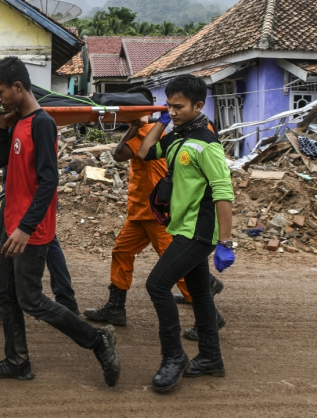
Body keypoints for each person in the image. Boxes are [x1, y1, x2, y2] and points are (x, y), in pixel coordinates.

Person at [0, 57, 120, 386]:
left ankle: (98, 340)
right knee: (4, 294)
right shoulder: (18, 122)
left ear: (18, 87)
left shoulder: (41, 123)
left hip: (30, 229)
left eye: (0, 93)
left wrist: (26, 228)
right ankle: (17, 361)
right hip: (13, 224)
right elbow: (2, 162)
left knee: (30, 299)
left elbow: (49, 180)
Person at [84, 87, 226, 340]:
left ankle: (211, 317)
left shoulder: (147, 131)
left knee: (178, 269)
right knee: (122, 252)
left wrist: (136, 125)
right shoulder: (149, 130)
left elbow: (119, 154)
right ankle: (116, 307)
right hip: (140, 212)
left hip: (157, 214)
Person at [137, 74, 235, 392]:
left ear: (199, 105)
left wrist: (225, 242)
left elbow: (223, 192)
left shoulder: (207, 145)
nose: (173, 111)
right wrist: (162, 121)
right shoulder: (177, 138)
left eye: (178, 107)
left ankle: (174, 356)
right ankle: (210, 357)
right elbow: (144, 151)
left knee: (157, 285)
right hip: (182, 227)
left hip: (199, 232)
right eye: (169, 105)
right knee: (201, 295)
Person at [0, 138, 79, 320]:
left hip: (23, 196)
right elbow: (5, 143)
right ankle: (66, 300)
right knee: (49, 241)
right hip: (26, 195)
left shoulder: (27, 121)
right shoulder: (27, 121)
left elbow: (9, 145)